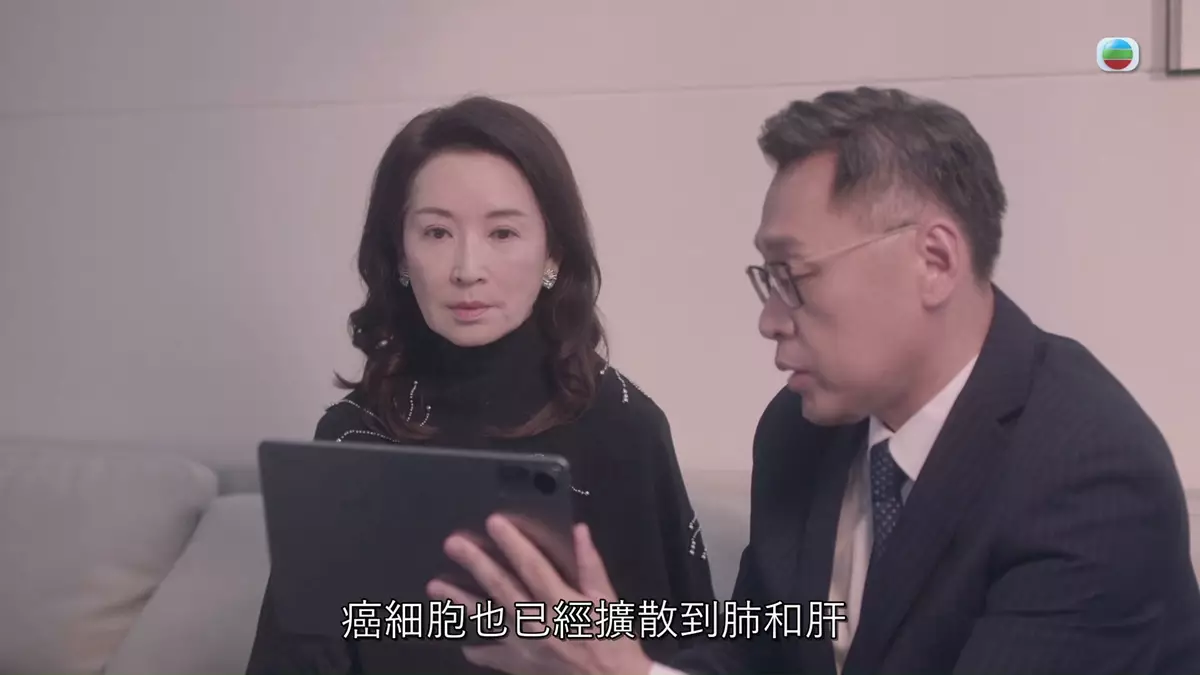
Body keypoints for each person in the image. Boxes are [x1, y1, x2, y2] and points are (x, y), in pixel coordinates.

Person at [426, 86, 1200, 675]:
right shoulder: (799, 431)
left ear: (934, 260)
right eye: (766, 278)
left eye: (793, 275)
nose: (770, 320)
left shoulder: (1088, 474)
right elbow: (755, 654)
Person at [244, 95, 716, 675]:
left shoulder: (624, 428)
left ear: (553, 252)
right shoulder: (351, 436)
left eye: (503, 233)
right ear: (399, 254)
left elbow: (681, 647)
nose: (467, 269)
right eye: (437, 232)